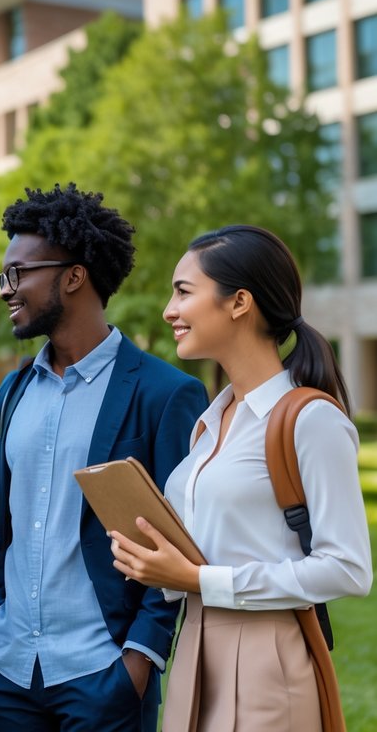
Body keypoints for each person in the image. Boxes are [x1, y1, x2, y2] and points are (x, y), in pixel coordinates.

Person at [109, 225, 372, 732]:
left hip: (267, 656)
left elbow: (347, 569)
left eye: (183, 291)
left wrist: (198, 579)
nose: (169, 310)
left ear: (239, 303)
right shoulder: (211, 422)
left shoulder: (310, 419)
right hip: (194, 645)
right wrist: (156, 562)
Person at [0, 185, 209, 732]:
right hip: (6, 668)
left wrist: (141, 657)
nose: (7, 290)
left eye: (18, 274)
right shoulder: (12, 391)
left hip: (104, 671)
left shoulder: (164, 393)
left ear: (73, 276)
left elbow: (178, 538)